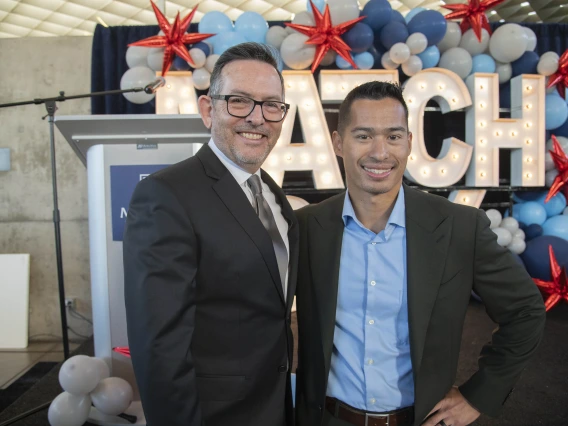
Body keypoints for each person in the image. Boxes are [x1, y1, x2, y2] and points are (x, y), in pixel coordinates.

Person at [294, 81, 546, 426]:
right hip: (326, 418)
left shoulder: (460, 226)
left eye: (393, 136)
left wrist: (479, 395)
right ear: (339, 143)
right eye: (364, 136)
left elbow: (525, 311)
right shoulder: (306, 227)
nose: (380, 152)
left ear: (410, 143)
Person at [123, 42, 298, 426]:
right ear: (208, 109)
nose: (257, 117)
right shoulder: (166, 194)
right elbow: (160, 347)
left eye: (272, 104)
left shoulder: (273, 195)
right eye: (239, 101)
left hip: (275, 409)